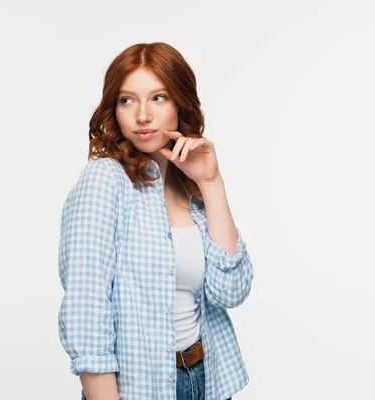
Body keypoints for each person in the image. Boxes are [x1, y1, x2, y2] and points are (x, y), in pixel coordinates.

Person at [57, 42, 254, 400]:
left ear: (181, 104)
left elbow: (231, 290)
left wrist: (211, 183)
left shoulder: (190, 190)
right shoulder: (105, 181)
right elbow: (86, 310)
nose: (143, 115)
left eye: (159, 98)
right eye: (127, 100)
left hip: (207, 380)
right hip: (138, 390)